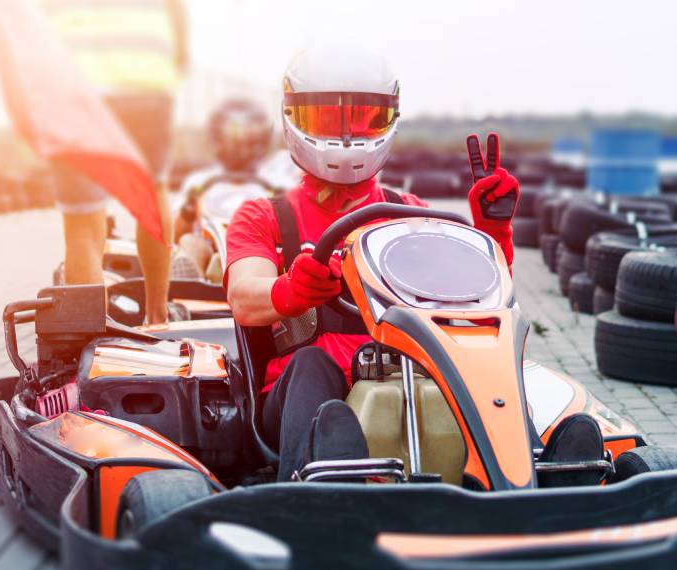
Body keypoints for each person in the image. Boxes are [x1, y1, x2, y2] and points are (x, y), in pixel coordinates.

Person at [224, 47, 536, 481]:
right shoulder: (264, 216)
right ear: (295, 116)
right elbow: (244, 297)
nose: (348, 134)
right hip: (302, 396)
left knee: (479, 365)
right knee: (313, 368)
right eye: (329, 119)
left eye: (363, 117)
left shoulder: (409, 212)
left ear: (387, 118)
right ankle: (312, 490)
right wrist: (291, 291)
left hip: (404, 378)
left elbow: (474, 302)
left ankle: (530, 467)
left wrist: (493, 232)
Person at [42, 0, 188, 324]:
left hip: (77, 80)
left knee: (81, 223)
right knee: (152, 192)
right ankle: (158, 315)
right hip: (146, 74)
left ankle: (90, 336)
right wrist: (176, 56)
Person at [174, 98, 278, 280]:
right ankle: (187, 281)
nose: (241, 149)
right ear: (217, 140)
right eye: (234, 141)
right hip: (210, 251)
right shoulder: (200, 181)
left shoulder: (277, 182)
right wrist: (187, 212)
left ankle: (270, 286)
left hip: (260, 254)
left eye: (248, 142)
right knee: (190, 242)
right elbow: (173, 234)